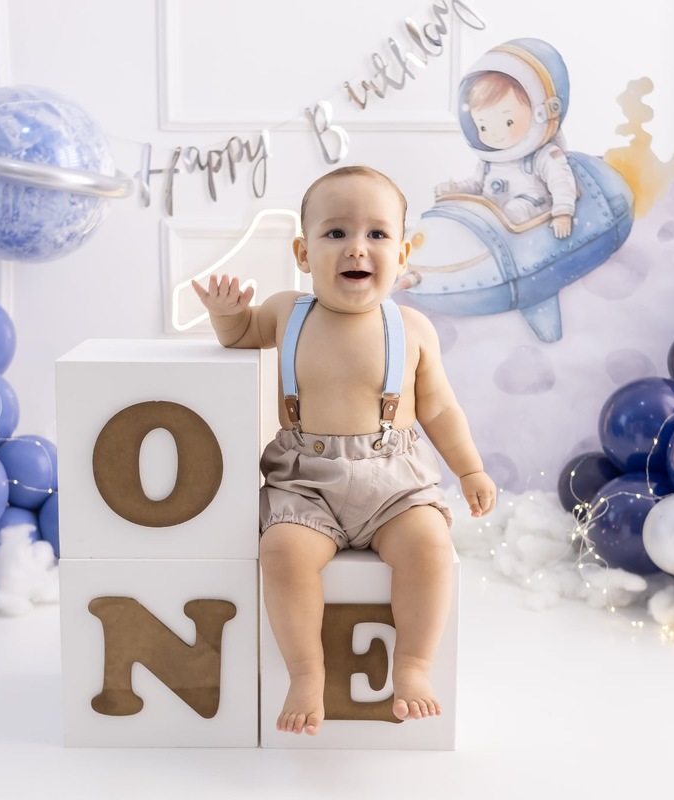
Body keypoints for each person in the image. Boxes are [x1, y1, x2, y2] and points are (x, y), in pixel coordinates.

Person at [193, 165, 497, 736]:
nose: (357, 247)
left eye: (377, 234)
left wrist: (471, 468)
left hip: (394, 484)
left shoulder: (413, 328)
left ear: (403, 253)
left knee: (430, 548)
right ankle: (307, 672)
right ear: (303, 252)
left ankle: (412, 666)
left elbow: (440, 410)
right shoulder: (287, 312)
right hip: (306, 482)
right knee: (282, 552)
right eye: (335, 233)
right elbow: (237, 336)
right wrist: (227, 313)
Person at [435, 40, 577, 240]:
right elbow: (476, 184)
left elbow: (561, 182)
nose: (494, 134)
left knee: (513, 210)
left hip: (529, 214)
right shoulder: (489, 161)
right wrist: (456, 190)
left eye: (508, 121)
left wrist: (563, 213)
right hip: (493, 219)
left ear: (542, 112)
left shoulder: (544, 156)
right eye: (483, 126)